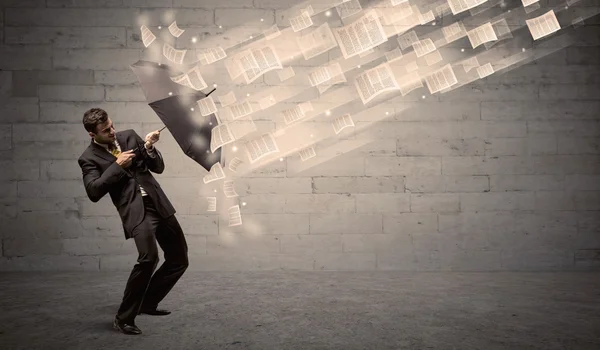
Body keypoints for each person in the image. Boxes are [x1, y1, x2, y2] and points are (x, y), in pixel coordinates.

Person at [78, 108, 189, 335]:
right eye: (105, 130)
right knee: (149, 258)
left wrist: (148, 147)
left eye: (111, 125)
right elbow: (93, 191)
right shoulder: (88, 158)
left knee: (179, 258)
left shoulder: (128, 136)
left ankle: (148, 303)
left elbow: (158, 168)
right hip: (136, 212)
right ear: (92, 134)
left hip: (159, 203)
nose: (112, 131)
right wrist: (117, 165)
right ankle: (124, 318)